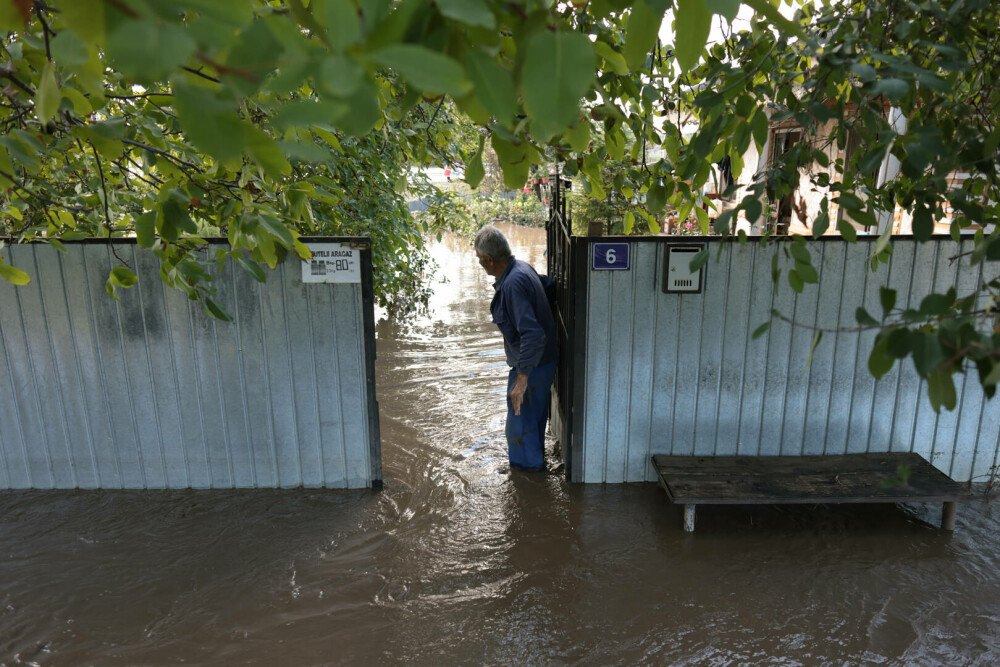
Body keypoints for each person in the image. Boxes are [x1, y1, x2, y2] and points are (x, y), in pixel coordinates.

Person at [474, 224, 557, 471]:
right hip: (542, 362)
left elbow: (532, 333)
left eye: (479, 259)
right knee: (531, 426)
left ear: (489, 260)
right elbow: (548, 286)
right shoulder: (522, 267)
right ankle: (536, 474)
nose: (479, 263)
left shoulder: (512, 284)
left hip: (532, 368)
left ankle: (528, 486)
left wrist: (521, 381)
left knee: (520, 431)